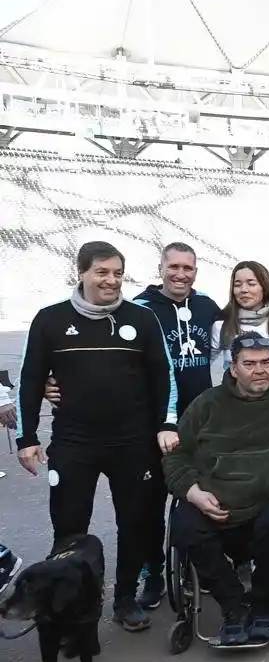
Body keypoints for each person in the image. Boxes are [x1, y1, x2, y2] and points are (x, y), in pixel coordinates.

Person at [42, 242, 222, 611]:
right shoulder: (139, 308)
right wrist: (52, 382)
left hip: (201, 423)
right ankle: (153, 572)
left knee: (202, 497)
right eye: (173, 266)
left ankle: (204, 566)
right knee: (148, 509)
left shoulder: (207, 306)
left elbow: (245, 326)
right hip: (152, 426)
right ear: (161, 268)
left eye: (188, 268)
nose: (180, 274)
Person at [14, 241, 178, 632]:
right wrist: (27, 437)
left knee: (135, 524)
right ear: (82, 273)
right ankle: (70, 608)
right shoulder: (50, 320)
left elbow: (164, 375)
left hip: (132, 442)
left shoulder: (141, 318)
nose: (111, 280)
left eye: (118, 273)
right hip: (74, 442)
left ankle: (125, 600)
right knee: (69, 530)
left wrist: (167, 423)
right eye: (102, 272)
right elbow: (30, 379)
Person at [162, 333, 269, 647]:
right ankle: (234, 606)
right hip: (216, 496)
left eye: (266, 362)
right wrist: (192, 492)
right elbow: (176, 454)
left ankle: (264, 606)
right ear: (233, 368)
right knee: (185, 525)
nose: (259, 370)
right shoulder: (208, 403)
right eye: (249, 364)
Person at [211, 261, 269, 369]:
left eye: (251, 284)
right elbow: (204, 365)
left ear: (265, 288)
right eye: (237, 285)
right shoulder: (221, 324)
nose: (243, 290)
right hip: (233, 381)